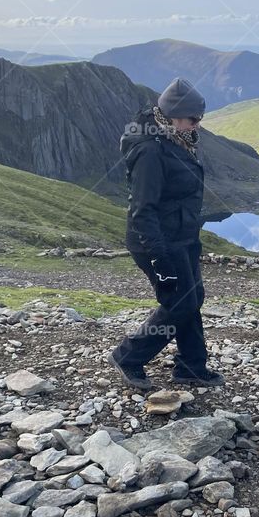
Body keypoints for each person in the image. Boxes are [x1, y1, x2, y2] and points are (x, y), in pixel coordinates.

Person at [109, 77, 224, 391]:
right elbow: (142, 210)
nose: (197, 125)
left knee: (192, 298)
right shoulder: (150, 150)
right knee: (180, 304)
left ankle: (191, 366)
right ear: (173, 115)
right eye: (193, 119)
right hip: (158, 241)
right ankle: (128, 357)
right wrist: (160, 260)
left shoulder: (175, 138)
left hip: (182, 236)